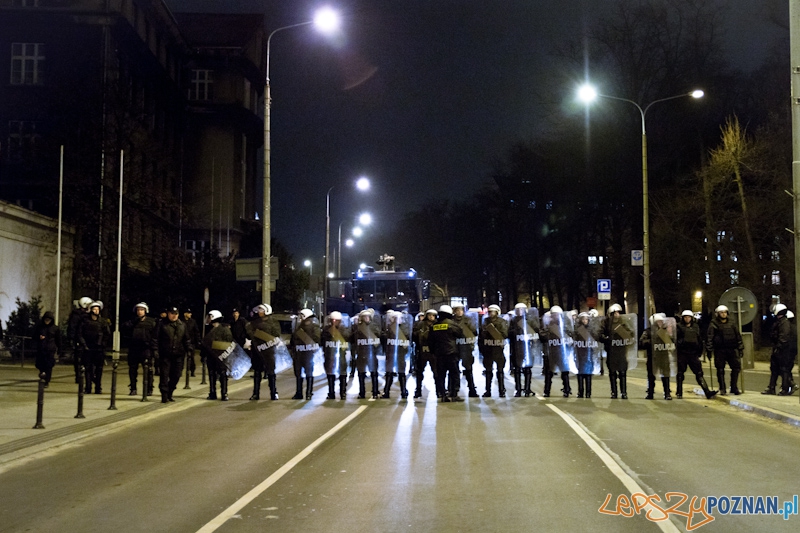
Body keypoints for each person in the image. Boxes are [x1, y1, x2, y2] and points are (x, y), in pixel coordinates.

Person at [676, 310, 717, 399]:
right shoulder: (678, 327)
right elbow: (674, 339)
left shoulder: (696, 327)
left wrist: (700, 351)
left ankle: (707, 392)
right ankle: (679, 392)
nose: (687, 319)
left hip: (693, 354)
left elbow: (699, 339)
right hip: (682, 353)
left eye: (689, 317)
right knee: (680, 374)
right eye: (685, 317)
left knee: (699, 373)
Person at [155, 306, 193, 403]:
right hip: (165, 354)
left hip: (178, 355)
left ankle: (170, 392)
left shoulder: (182, 325)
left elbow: (186, 339)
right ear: (168, 314)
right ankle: (164, 394)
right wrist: (155, 351)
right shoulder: (162, 324)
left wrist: (189, 349)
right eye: (172, 313)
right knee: (164, 375)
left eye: (176, 314)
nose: (174, 316)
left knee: (176, 375)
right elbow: (155, 338)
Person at [428, 304, 464, 402]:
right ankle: (454, 394)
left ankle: (443, 395)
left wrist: (433, 352)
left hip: (439, 354)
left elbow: (430, 341)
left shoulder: (434, 326)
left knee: (441, 375)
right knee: (454, 374)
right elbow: (460, 334)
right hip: (451, 353)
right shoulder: (452, 324)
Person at [706, 304, 743, 396]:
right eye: (721, 313)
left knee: (736, 368)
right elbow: (710, 337)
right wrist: (709, 350)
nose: (723, 314)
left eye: (725, 312)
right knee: (720, 369)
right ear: (718, 314)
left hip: (732, 349)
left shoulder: (732, 323)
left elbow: (738, 335)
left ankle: (734, 387)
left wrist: (740, 348)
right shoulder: (714, 324)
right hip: (720, 350)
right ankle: (722, 387)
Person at [122, 302, 157, 396]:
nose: (140, 312)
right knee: (132, 370)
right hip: (134, 349)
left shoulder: (151, 322)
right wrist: (133, 322)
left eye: (141, 310)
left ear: (145, 311)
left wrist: (154, 349)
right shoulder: (133, 321)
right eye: (138, 310)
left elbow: (155, 336)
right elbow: (125, 328)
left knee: (148, 370)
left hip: (146, 349)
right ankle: (133, 388)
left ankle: (149, 388)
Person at [248, 304, 282, 400]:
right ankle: (255, 393)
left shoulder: (273, 322)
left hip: (269, 350)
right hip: (257, 350)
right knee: (257, 372)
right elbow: (250, 333)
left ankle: (273, 392)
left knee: (271, 372)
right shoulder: (254, 323)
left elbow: (276, 335)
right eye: (259, 310)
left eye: (261, 310)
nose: (259, 312)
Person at [601, 303, 634, 399]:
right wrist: (605, 338)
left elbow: (631, 332)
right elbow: (600, 333)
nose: (617, 314)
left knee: (622, 371)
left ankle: (624, 392)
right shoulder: (606, 323)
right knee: (612, 372)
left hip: (621, 350)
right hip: (611, 351)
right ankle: (614, 392)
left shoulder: (623, 322)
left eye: (618, 312)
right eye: (615, 313)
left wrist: (624, 333)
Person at [640, 313, 674, 400]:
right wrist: (651, 342)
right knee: (651, 375)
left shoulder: (665, 331)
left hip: (663, 356)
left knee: (665, 374)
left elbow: (672, 343)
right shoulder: (648, 331)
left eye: (661, 322)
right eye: (658, 322)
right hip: (652, 356)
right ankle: (650, 393)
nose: (660, 323)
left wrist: (670, 336)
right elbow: (642, 342)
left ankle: (667, 393)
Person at [201, 310, 233, 401]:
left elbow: (228, 342)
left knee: (222, 374)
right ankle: (212, 392)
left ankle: (224, 393)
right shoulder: (209, 329)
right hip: (211, 356)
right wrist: (203, 355)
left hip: (221, 355)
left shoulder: (224, 329)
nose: (208, 319)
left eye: (210, 317)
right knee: (212, 375)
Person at [542, 305, 573, 398]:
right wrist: (548, 334)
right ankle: (547, 391)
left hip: (561, 351)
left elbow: (570, 334)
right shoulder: (547, 325)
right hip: (551, 351)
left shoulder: (564, 325)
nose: (555, 316)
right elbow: (542, 335)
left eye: (557, 314)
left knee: (565, 372)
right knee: (549, 373)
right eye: (554, 314)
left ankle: (567, 389)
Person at [508, 303, 539, 397]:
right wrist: (515, 332)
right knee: (517, 369)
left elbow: (536, 332)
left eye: (521, 309)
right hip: (517, 348)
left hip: (528, 348)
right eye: (518, 310)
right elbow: (508, 333)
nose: (519, 311)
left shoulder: (530, 320)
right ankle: (518, 389)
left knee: (527, 369)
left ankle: (527, 388)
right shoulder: (513, 320)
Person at [79, 301, 110, 394]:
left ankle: (98, 387)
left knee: (99, 369)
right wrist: (84, 345)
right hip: (88, 348)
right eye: (94, 309)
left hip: (99, 349)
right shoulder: (85, 321)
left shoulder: (103, 322)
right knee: (88, 368)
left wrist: (103, 343)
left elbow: (107, 334)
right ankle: (88, 387)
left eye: (97, 309)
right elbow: (80, 334)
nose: (96, 311)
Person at [764, 304, 795, 396]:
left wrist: (779, 347)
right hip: (779, 349)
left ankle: (785, 389)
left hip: (782, 350)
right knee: (774, 369)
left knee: (783, 369)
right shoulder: (779, 322)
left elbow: (783, 337)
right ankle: (771, 387)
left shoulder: (784, 323)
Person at [479, 304, 508, 397]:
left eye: (493, 311)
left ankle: (501, 390)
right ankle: (488, 391)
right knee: (488, 371)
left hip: (498, 349)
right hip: (488, 349)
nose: (491, 313)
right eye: (490, 311)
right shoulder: (485, 321)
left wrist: (494, 332)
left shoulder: (502, 322)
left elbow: (504, 334)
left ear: (497, 312)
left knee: (500, 371)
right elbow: (481, 336)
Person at [291, 309, 320, 400]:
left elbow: (316, 339)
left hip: (307, 354)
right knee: (301, 374)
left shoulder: (310, 327)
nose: (299, 317)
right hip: (302, 353)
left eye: (301, 315)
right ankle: (303, 393)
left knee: (307, 373)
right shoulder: (300, 327)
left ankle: (306, 393)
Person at [352, 308, 382, 399]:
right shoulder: (357, 327)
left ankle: (375, 391)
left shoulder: (374, 326)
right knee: (361, 374)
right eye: (364, 317)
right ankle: (362, 392)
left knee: (374, 373)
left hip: (371, 353)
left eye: (368, 317)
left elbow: (379, 336)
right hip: (361, 353)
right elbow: (353, 338)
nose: (366, 318)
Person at [322, 310, 351, 400]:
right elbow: (322, 341)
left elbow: (348, 338)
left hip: (341, 355)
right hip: (330, 355)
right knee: (330, 375)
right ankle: (331, 393)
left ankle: (343, 393)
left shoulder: (344, 330)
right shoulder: (326, 330)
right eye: (332, 320)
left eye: (336, 320)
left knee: (342, 375)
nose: (333, 322)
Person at [382, 310, 411, 399]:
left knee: (401, 373)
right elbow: (384, 340)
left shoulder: (404, 329)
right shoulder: (389, 329)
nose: (399, 320)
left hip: (400, 354)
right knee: (389, 374)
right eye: (397, 318)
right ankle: (386, 392)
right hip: (391, 354)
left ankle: (403, 391)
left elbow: (407, 340)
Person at [452, 303, 479, 397]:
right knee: (454, 369)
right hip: (455, 347)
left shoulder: (468, 320)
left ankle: (472, 389)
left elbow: (475, 331)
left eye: (461, 310)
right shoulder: (452, 321)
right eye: (457, 310)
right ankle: (454, 390)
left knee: (468, 368)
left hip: (466, 346)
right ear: (454, 311)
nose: (459, 312)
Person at [572, 312, 600, 398]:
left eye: (586, 319)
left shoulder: (591, 330)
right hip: (580, 354)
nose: (585, 321)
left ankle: (588, 392)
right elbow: (573, 340)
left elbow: (596, 339)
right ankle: (580, 392)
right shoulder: (577, 330)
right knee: (580, 373)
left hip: (588, 354)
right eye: (583, 319)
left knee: (588, 374)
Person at [413, 309, 438, 398]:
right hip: (422, 350)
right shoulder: (420, 325)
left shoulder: (437, 324)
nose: (431, 317)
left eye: (433, 315)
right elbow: (414, 335)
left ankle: (439, 391)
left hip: (433, 352)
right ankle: (418, 390)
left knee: (436, 372)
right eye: (429, 315)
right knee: (419, 372)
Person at [67, 296, 92, 384]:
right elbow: (72, 328)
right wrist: (72, 339)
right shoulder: (76, 316)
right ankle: (78, 376)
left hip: (87, 340)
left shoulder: (88, 316)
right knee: (78, 359)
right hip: (79, 340)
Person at [35, 311, 61, 386]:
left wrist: (59, 350)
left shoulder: (55, 329)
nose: (47, 321)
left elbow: (58, 340)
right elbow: (34, 337)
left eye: (49, 320)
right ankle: (42, 375)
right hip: (41, 349)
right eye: (46, 319)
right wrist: (39, 338)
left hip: (50, 350)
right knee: (40, 364)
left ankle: (47, 380)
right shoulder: (40, 327)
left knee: (49, 366)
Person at [183, 309, 201, 377]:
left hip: (191, 342)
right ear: (185, 314)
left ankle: (192, 371)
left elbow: (196, 332)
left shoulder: (193, 322)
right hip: (182, 342)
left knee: (191, 357)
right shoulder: (181, 321)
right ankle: (179, 370)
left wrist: (198, 341)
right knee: (181, 357)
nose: (190, 314)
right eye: (189, 313)